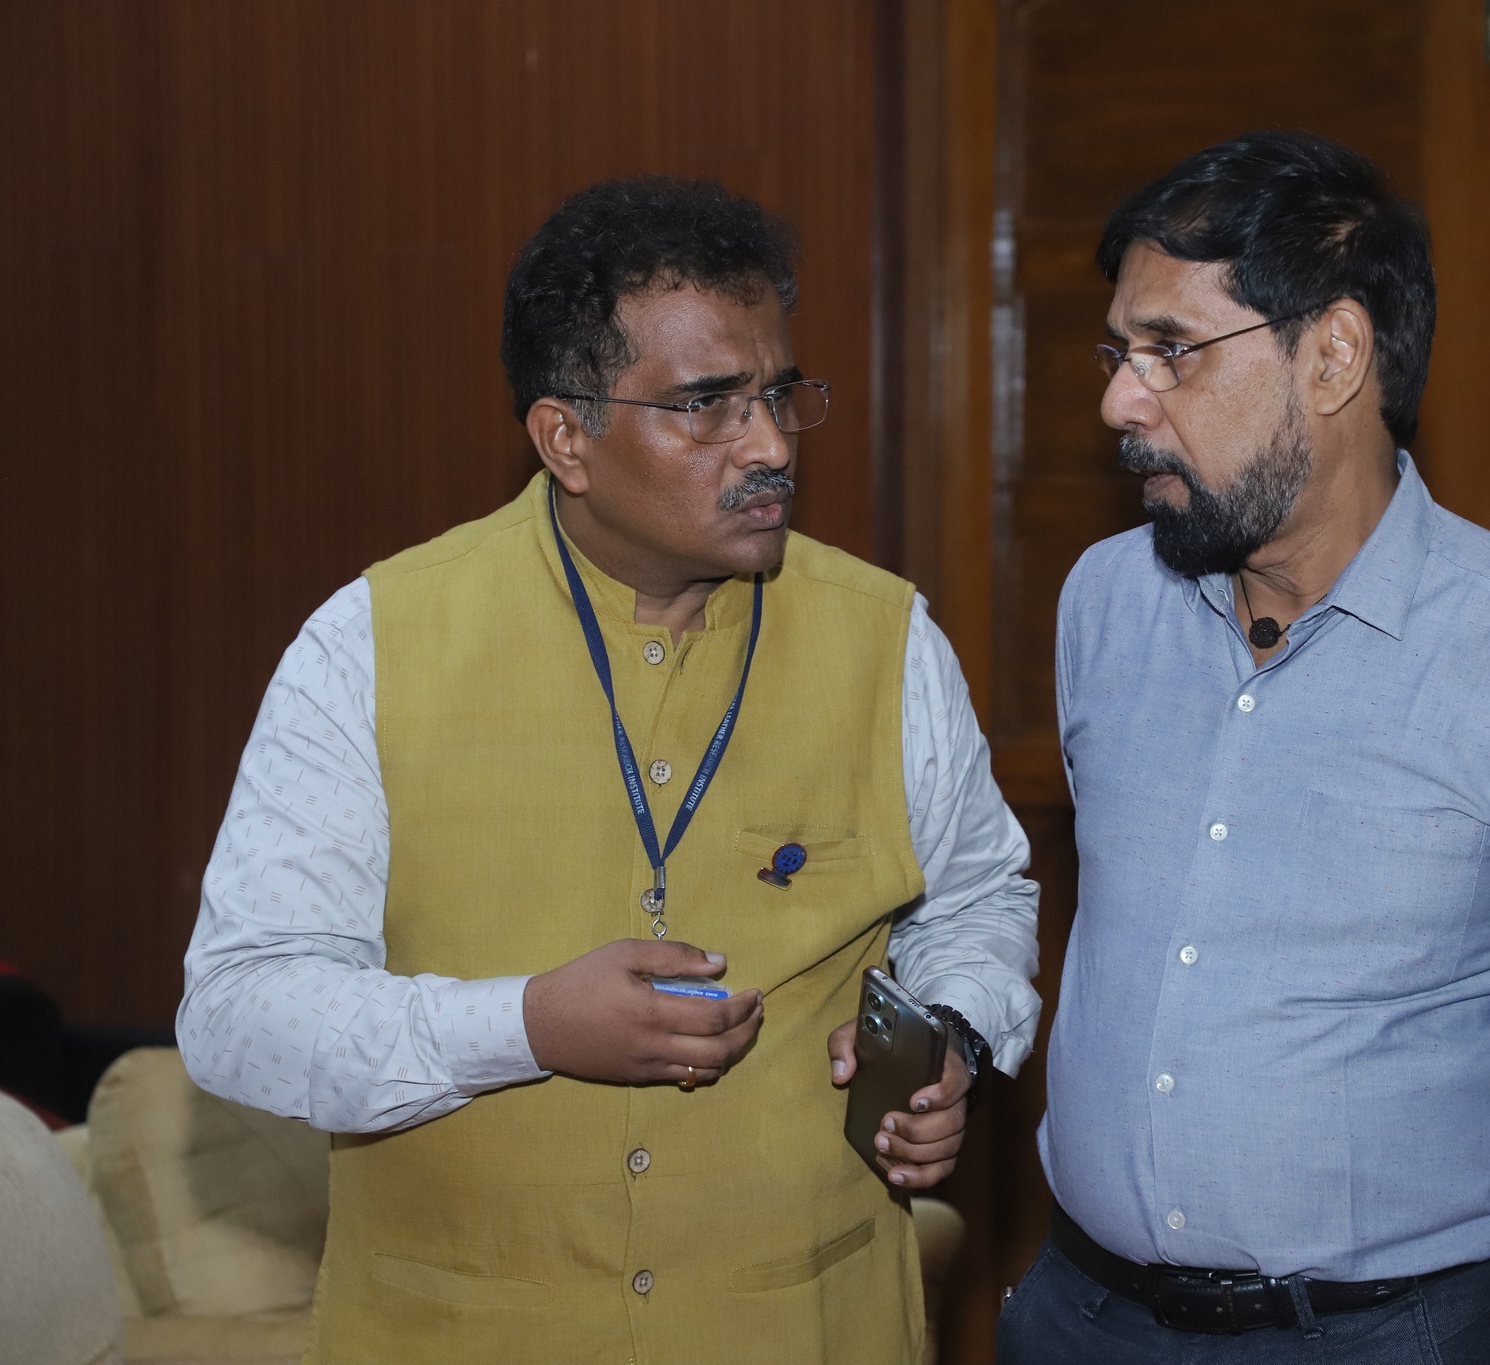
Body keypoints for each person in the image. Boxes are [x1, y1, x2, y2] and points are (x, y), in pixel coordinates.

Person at [178, 177, 1041, 1365]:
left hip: (801, 1326)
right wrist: (525, 1025)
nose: (769, 446)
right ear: (565, 439)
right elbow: (240, 1013)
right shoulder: (368, 646)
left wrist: (954, 1031)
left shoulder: (888, 643)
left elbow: (979, 898)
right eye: (706, 406)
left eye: (778, 395)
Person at [998, 131, 1490, 1363]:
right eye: (1117, 353)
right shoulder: (1102, 601)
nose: (1118, 401)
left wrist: (1442, 1293)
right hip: (1081, 1314)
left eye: (1170, 350)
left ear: (1331, 356)